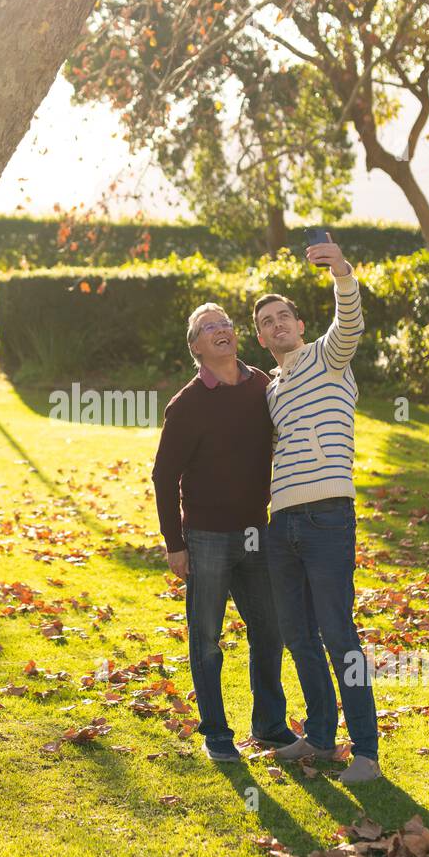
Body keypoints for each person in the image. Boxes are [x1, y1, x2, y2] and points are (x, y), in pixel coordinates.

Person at [254, 235, 381, 784]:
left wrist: (342, 273)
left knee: (337, 632)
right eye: (266, 322)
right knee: (299, 634)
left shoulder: (328, 358)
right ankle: (323, 739)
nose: (277, 324)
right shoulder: (272, 389)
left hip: (328, 516)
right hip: (282, 523)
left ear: (301, 326)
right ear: (260, 339)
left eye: (284, 316)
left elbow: (349, 322)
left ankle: (368, 755)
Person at [151, 303, 298, 762]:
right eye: (208, 327)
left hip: (257, 532)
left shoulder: (263, 386)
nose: (221, 330)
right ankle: (216, 733)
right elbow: (163, 476)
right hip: (207, 537)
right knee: (206, 637)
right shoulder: (187, 404)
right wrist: (175, 544)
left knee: (269, 631)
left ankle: (271, 727)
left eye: (226, 324)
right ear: (196, 347)